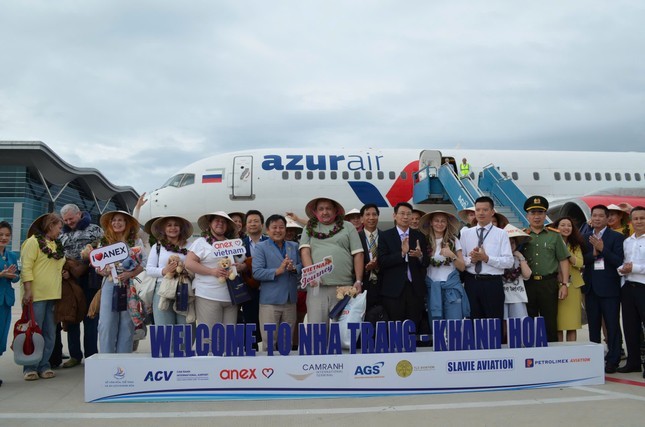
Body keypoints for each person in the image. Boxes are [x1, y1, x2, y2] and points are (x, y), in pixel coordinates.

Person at [299, 197, 363, 325]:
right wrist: (312, 275)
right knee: (316, 329)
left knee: (341, 330)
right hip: (317, 287)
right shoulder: (309, 227)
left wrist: (358, 280)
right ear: (315, 212)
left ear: (335, 211)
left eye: (328, 208)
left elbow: (358, 253)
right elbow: (305, 251)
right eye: (321, 209)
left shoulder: (348, 226)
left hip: (344, 286)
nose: (325, 212)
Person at [19, 213, 66, 380]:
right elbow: (26, 267)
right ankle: (29, 367)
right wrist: (28, 290)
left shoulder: (57, 245)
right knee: (33, 333)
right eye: (59, 227)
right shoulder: (32, 242)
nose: (61, 231)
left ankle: (44, 364)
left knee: (50, 333)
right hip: (36, 296)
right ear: (50, 225)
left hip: (54, 295)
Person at [58, 203, 103, 368]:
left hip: (90, 278)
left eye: (71, 218)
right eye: (66, 220)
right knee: (72, 317)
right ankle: (75, 355)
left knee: (90, 317)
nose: (69, 222)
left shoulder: (95, 230)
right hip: (70, 279)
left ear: (79, 214)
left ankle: (91, 355)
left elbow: (103, 250)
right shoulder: (61, 234)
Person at [582, 204, 625, 373]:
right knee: (593, 326)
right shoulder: (585, 237)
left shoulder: (616, 237)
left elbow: (618, 261)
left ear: (607, 219)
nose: (597, 218)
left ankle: (614, 359)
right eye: (595, 215)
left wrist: (602, 249)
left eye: (601, 216)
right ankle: (593, 358)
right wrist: (592, 254)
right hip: (591, 288)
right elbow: (581, 260)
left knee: (612, 325)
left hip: (609, 289)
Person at [521, 196, 570, 343]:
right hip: (527, 284)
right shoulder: (522, 236)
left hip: (548, 284)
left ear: (545, 215)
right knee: (529, 321)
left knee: (550, 321)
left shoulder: (554, 236)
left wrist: (564, 284)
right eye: (533, 213)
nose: (537, 217)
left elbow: (563, 259)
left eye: (540, 213)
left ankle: (551, 358)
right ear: (527, 216)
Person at [96, 211, 145, 354]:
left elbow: (144, 263)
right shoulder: (104, 242)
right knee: (107, 322)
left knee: (127, 322)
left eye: (121, 220)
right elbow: (98, 266)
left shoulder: (136, 241)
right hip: (110, 284)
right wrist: (103, 271)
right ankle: (106, 357)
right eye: (114, 220)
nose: (117, 223)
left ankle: (124, 358)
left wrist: (130, 273)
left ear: (127, 223)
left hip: (129, 285)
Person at [459, 196, 514, 322]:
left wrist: (487, 258)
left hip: (493, 283)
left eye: (485, 210)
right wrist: (471, 260)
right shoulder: (466, 233)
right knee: (473, 321)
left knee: (494, 322)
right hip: (471, 282)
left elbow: (509, 261)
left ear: (492, 212)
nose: (481, 213)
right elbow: (461, 260)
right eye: (478, 210)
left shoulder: (501, 234)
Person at [252, 215, 301, 350]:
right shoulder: (261, 247)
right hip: (270, 302)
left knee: (287, 343)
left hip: (290, 301)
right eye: (274, 227)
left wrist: (293, 268)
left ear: (285, 229)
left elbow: (301, 266)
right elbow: (256, 272)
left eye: (281, 227)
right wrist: (278, 271)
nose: (278, 230)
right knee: (269, 344)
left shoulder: (294, 246)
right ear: (267, 230)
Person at [185, 212, 240, 333]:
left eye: (223, 221)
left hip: (231, 296)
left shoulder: (231, 243)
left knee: (229, 336)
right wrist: (211, 271)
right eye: (217, 220)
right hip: (208, 295)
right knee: (209, 337)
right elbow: (189, 263)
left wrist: (239, 266)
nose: (220, 223)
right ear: (210, 224)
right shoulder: (201, 242)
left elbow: (240, 264)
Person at [378, 202, 428, 330]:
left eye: (408, 214)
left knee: (413, 325)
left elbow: (426, 263)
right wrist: (401, 253)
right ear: (394, 215)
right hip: (393, 290)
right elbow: (382, 261)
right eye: (402, 213)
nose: (405, 217)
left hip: (414, 289)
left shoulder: (419, 237)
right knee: (395, 327)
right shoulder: (385, 236)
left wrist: (420, 256)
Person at [419, 210, 468, 321]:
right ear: (431, 223)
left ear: (447, 223)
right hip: (432, 289)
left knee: (454, 325)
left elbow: (462, 267)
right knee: (437, 327)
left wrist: (452, 255)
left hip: (451, 289)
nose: (439, 224)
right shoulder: (424, 242)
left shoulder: (453, 240)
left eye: (443, 221)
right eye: (436, 221)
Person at [146, 216, 193, 327]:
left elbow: (195, 265)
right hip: (162, 289)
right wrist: (164, 270)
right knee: (165, 330)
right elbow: (149, 269)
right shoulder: (157, 247)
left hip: (184, 288)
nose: (173, 228)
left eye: (176, 225)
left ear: (181, 228)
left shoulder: (190, 246)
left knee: (185, 329)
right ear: (163, 229)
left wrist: (188, 271)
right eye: (169, 225)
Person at [617, 206, 645, 375]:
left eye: (642, 218)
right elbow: (624, 263)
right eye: (636, 219)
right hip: (628, 288)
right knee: (630, 326)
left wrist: (633, 267)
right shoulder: (627, 241)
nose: (639, 221)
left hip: (643, 287)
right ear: (631, 221)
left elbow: (633, 265)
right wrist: (622, 269)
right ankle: (633, 362)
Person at [553, 216, 586, 342]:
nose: (566, 228)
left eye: (569, 225)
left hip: (573, 286)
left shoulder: (575, 245)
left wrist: (565, 251)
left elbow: (579, 263)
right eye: (563, 225)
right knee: (558, 324)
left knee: (572, 324)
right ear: (556, 228)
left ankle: (572, 352)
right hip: (556, 285)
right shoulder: (551, 243)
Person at [240, 210, 267, 349]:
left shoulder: (270, 242)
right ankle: (251, 352)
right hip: (248, 291)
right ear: (245, 226)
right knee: (250, 324)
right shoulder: (239, 245)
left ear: (262, 224)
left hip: (268, 290)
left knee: (268, 325)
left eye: (256, 221)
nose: (253, 224)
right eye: (249, 222)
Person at [0, 221, 19, 386]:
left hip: (5, 301)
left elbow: (18, 275)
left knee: (1, 336)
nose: (4, 238)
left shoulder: (12, 255)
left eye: (7, 235)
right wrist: (1, 274)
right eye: (1, 235)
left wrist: (14, 276)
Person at [502, 225, 531, 319]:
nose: (510, 245)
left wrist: (520, 257)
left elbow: (527, 275)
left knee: (519, 326)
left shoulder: (519, 258)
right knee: (504, 327)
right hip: (503, 297)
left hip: (517, 297)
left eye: (513, 243)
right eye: (507, 242)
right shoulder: (498, 258)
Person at [358, 204, 381, 311]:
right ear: (362, 219)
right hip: (362, 286)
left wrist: (378, 265)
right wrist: (365, 269)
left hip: (383, 285)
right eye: (367, 214)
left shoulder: (386, 236)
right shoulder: (356, 237)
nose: (371, 218)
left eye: (374, 214)